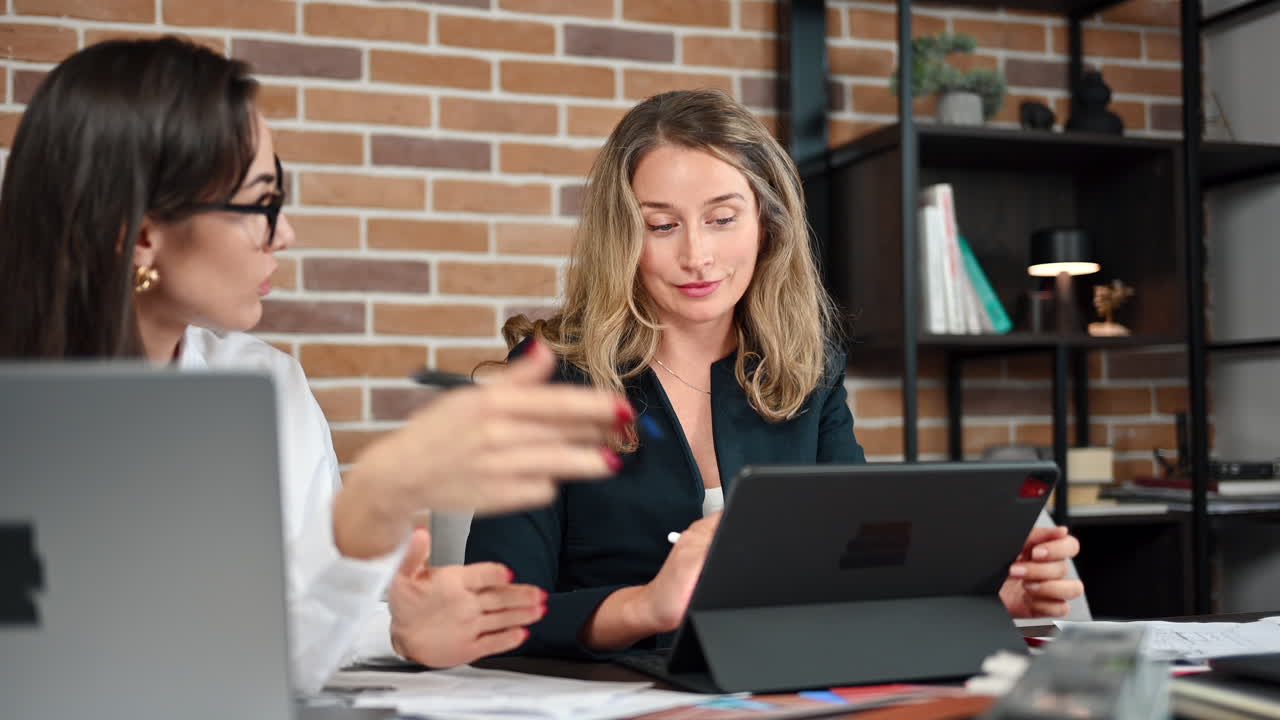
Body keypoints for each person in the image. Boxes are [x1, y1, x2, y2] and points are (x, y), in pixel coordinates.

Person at [0, 36, 631, 693]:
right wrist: (371, 514)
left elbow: (271, 651)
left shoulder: (269, 388)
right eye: (261, 204)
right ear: (142, 234)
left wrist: (390, 619)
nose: (285, 233)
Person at [465, 89, 1084, 658]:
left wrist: (978, 599)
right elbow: (495, 613)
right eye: (661, 225)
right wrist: (644, 606)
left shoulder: (808, 368)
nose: (696, 256)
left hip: (779, 687)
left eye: (723, 218)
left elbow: (859, 574)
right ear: (620, 237)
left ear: (767, 223)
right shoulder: (551, 378)